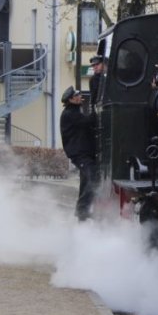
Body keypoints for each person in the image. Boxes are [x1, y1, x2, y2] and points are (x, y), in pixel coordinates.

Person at [59, 87, 99, 221]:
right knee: (92, 176)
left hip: (83, 152)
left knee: (85, 180)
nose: (80, 96)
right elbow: (88, 122)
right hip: (79, 153)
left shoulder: (75, 112)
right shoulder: (70, 114)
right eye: (77, 95)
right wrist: (97, 111)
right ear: (70, 99)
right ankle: (82, 210)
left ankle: (81, 213)